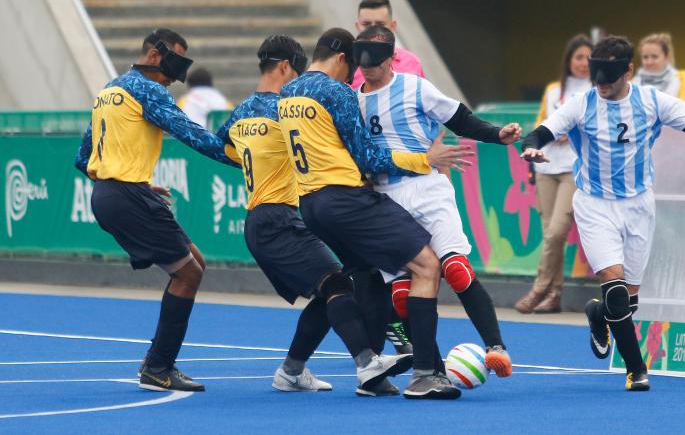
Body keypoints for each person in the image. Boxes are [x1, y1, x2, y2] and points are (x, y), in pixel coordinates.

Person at [520, 35, 685, 391]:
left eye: (609, 80)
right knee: (614, 287)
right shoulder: (580, 104)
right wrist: (531, 149)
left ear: (629, 71)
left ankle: (597, 315)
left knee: (627, 302)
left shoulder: (652, 102)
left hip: (639, 206)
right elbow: (539, 133)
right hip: (595, 205)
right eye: (596, 80)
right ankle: (637, 370)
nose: (601, 86)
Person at [279, 28, 471, 400]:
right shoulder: (336, 92)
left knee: (366, 276)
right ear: (339, 57)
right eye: (352, 64)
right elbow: (367, 156)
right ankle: (425, 374)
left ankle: (371, 370)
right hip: (345, 200)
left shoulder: (289, 92)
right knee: (427, 266)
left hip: (311, 204)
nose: (354, 74)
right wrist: (424, 160)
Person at [215, 35, 413, 395]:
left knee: (329, 289)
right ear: (287, 67)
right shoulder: (286, 107)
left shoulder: (244, 110)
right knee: (337, 284)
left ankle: (291, 372)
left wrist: (259, 164)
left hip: (267, 217)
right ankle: (367, 362)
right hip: (278, 217)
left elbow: (221, 146)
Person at [74, 28, 242, 392]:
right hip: (125, 195)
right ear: (153, 55)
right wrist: (245, 161)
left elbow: (83, 157)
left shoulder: (109, 90)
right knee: (189, 275)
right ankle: (158, 367)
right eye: (173, 64)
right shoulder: (146, 90)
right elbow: (192, 134)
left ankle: (157, 361)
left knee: (195, 263)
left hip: (114, 192)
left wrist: (132, 178)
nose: (176, 77)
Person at [355, 26, 518, 377]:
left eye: (374, 62)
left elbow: (458, 118)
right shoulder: (354, 100)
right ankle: (434, 367)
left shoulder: (415, 87)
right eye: (362, 62)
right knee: (401, 293)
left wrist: (496, 134)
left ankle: (496, 347)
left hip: (428, 187)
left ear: (390, 58)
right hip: (386, 196)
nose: (367, 68)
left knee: (456, 270)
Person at [515, 34, 593, 315]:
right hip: (545, 166)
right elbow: (539, 125)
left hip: (574, 168)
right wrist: (550, 132)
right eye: (578, 57)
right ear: (569, 60)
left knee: (558, 230)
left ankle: (539, 288)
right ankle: (555, 294)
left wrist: (570, 131)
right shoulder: (553, 89)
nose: (583, 63)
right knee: (550, 233)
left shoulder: (596, 90)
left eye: (588, 57)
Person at [350, 0, 424, 90]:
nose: (374, 30)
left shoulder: (412, 62)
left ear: (393, 26)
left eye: (380, 24)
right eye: (366, 24)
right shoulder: (346, 66)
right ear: (357, 26)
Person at [633, 33, 685, 105]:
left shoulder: (681, 78)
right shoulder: (633, 83)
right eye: (645, 57)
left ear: (667, 57)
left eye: (654, 57)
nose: (649, 62)